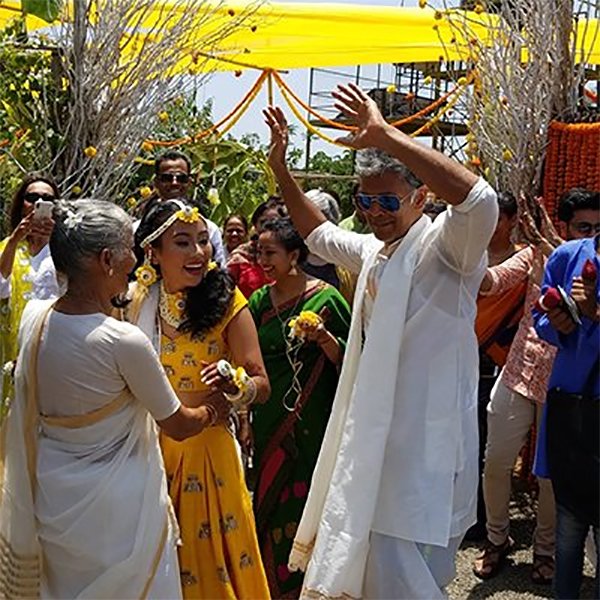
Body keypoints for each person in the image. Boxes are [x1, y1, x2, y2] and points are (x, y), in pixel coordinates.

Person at [264, 82, 498, 599]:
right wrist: (281, 170)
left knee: (400, 560)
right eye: (364, 200)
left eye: (387, 199)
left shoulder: (446, 248)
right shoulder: (376, 250)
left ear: (421, 196)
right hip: (373, 434)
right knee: (372, 555)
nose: (374, 212)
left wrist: (387, 136)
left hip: (422, 439)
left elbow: (479, 200)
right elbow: (318, 235)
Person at [0, 199, 218, 599]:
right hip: (120, 517)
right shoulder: (122, 341)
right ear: (106, 260)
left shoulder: (35, 317)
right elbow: (179, 424)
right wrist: (217, 405)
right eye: (130, 249)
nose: (135, 259)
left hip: (52, 497)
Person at [128, 199, 270, 599]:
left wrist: (233, 385)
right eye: (183, 243)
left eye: (202, 242)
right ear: (152, 253)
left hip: (206, 454)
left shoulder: (227, 301)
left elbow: (261, 384)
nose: (198, 253)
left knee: (207, 563)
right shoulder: (133, 301)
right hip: (147, 450)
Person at [473, 190, 600, 583]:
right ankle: (497, 539)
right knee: (496, 462)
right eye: (584, 227)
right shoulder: (541, 256)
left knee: (551, 478)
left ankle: (545, 552)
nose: (591, 235)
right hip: (518, 373)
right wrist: (458, 255)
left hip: (568, 390)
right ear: (566, 226)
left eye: (598, 228)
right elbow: (495, 281)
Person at [247, 218, 351, 598]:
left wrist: (323, 338)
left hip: (314, 418)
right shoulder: (259, 300)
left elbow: (351, 361)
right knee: (268, 497)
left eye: (270, 252)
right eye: (258, 251)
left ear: (295, 255)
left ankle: (312, 584)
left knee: (309, 497)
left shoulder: (327, 299)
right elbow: (250, 359)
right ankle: (270, 585)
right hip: (268, 415)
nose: (262, 259)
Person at [533, 233, 599, 599]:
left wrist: (593, 313)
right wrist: (557, 324)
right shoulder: (568, 255)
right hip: (568, 407)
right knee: (569, 527)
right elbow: (538, 315)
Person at [466, 191, 525, 542]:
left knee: (490, 444)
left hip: (501, 362)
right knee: (465, 438)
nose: (489, 227)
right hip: (463, 358)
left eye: (497, 219)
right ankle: (467, 511)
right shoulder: (469, 255)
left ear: (513, 220)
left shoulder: (523, 262)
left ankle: (488, 520)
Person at [0, 174, 61, 410]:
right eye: (31, 197)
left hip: (53, 346)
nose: (38, 203)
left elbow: (75, 286)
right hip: (10, 348)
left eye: (47, 199)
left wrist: (58, 242)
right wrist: (16, 239)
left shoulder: (63, 248)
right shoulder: (7, 247)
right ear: (21, 204)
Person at [145, 150, 226, 265]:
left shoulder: (210, 229)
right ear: (156, 182)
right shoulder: (138, 228)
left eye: (181, 178)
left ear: (189, 182)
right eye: (167, 178)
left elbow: (220, 270)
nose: (174, 183)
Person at [227, 197, 286, 298]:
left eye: (274, 221)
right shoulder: (240, 256)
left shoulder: (291, 254)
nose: (267, 227)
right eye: (263, 222)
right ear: (255, 225)